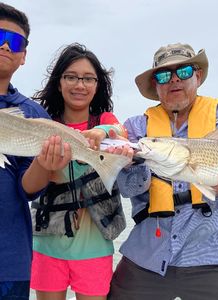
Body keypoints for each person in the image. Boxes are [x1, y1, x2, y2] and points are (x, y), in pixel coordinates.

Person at [108, 43, 218, 300]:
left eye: (184, 71)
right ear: (156, 86)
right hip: (147, 255)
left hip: (214, 255)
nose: (174, 80)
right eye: (164, 76)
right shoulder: (136, 127)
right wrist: (132, 164)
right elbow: (128, 189)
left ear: (197, 75)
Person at [30, 42, 128, 300]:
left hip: (95, 245)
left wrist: (101, 132)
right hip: (47, 243)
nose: (79, 85)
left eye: (88, 78)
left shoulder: (105, 121)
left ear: (97, 85)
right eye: (71, 77)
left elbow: (121, 133)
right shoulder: (43, 123)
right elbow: (29, 184)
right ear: (59, 81)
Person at [0, 3, 72, 300]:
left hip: (8, 261)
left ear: (23, 55)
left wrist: (46, 164)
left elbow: (27, 189)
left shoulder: (33, 114)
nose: (5, 45)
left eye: (15, 41)